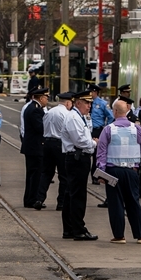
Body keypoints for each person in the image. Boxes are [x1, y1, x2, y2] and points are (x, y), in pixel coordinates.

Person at [96, 100, 141, 244]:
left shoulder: (108, 129)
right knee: (134, 202)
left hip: (112, 171)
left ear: (114, 112)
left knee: (116, 203)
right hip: (132, 171)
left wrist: (101, 172)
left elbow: (101, 152)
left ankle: (119, 236)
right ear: (126, 112)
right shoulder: (136, 129)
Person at [61, 91, 98, 240]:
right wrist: (94, 143)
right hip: (77, 158)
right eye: (86, 103)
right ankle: (78, 229)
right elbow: (80, 141)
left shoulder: (79, 117)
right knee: (77, 195)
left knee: (72, 194)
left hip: (79, 157)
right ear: (78, 103)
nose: (89, 106)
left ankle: (70, 228)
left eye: (90, 103)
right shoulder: (73, 117)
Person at [38, 91, 74, 210]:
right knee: (63, 175)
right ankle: (61, 203)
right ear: (68, 103)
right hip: (60, 145)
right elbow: (68, 131)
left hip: (47, 143)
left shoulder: (49, 112)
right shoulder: (67, 114)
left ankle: (39, 198)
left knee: (46, 173)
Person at [21, 87, 49, 209]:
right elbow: (40, 128)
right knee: (35, 174)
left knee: (32, 174)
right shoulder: (36, 110)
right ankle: (32, 199)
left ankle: (29, 198)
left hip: (31, 147)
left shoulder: (31, 107)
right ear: (41, 98)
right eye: (46, 98)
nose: (47, 100)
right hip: (35, 147)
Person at [88, 85, 114, 184]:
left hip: (97, 130)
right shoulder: (87, 102)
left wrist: (106, 128)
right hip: (87, 130)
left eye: (91, 92)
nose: (90, 94)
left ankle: (95, 176)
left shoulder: (102, 103)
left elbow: (110, 117)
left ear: (95, 92)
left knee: (96, 155)